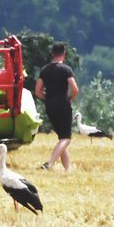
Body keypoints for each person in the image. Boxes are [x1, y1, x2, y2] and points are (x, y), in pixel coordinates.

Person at [35, 42, 79, 171]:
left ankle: (68, 169)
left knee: (62, 138)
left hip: (50, 107)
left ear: (52, 54)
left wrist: (48, 99)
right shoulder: (66, 69)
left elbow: (37, 91)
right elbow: (75, 89)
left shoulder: (44, 70)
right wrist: (69, 99)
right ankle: (49, 164)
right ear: (64, 53)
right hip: (63, 106)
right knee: (66, 138)